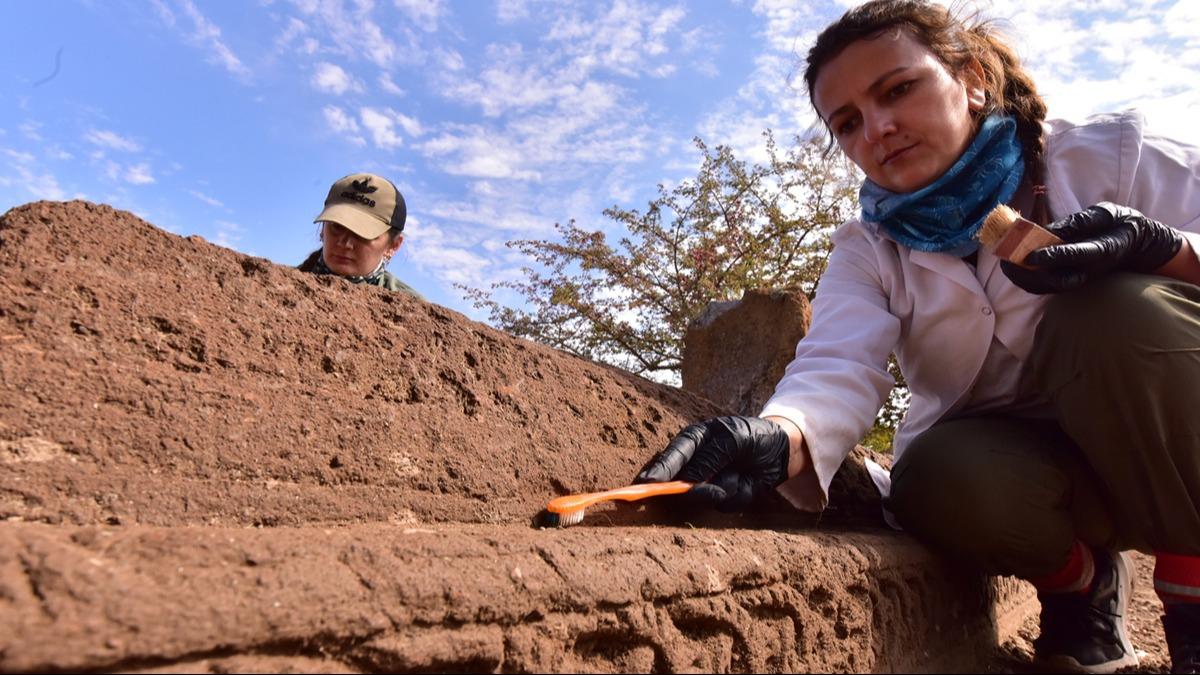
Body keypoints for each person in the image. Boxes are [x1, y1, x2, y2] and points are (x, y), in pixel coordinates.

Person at [633, 1, 1200, 672]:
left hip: (1169, 445)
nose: (878, 128)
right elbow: (838, 360)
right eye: (848, 122)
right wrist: (780, 434)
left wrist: (1168, 252)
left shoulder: (1112, 152)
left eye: (897, 89)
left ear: (971, 77)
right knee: (935, 475)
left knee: (1115, 312)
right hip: (1047, 480)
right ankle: (1080, 585)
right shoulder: (868, 250)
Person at [298, 172, 423, 299]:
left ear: (393, 246)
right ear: (322, 230)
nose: (345, 243)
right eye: (337, 226)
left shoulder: (412, 306)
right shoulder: (280, 285)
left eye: (363, 233)